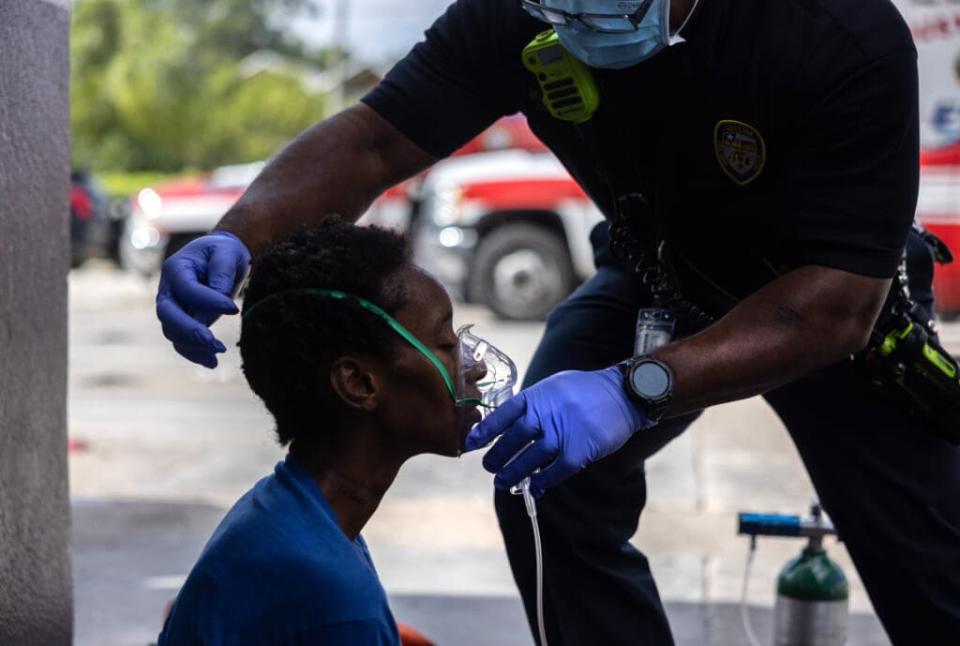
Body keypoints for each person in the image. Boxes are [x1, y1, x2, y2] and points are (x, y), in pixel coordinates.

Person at [155, 0, 960, 643]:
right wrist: (239, 232)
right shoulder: (524, 14)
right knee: (547, 481)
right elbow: (375, 140)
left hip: (826, 309)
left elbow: (834, 305)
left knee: (932, 565)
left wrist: (636, 388)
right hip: (658, 277)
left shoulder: (837, 32)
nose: (572, 12)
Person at [157, 220, 488, 645]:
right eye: (445, 343)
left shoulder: (290, 511)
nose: (474, 366)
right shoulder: (332, 600)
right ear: (360, 383)